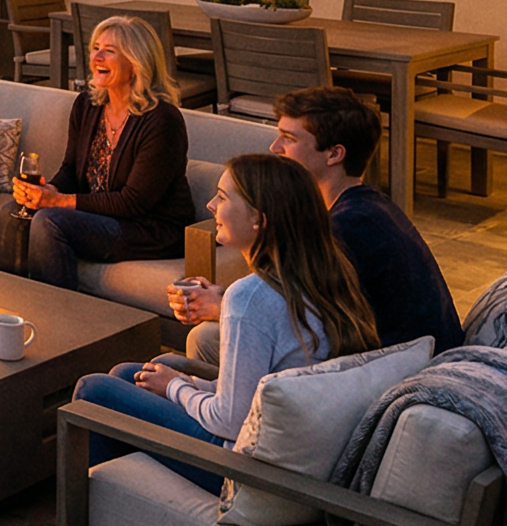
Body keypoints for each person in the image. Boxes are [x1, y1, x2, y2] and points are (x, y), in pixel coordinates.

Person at [0, 155, 380, 526]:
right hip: (297, 467)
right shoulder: (326, 281)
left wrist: (176, 388)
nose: (212, 204)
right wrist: (183, 382)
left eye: (223, 197)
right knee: (127, 376)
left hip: (248, 475)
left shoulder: (252, 297)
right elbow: (259, 395)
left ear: (259, 219)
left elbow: (230, 419)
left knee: (94, 394)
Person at [171, 86, 464, 358]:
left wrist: (220, 306)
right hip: (401, 355)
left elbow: (305, 326)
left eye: (290, 138)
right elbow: (295, 301)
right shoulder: (364, 205)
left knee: (207, 337)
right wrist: (223, 296)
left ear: (335, 154)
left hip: (392, 368)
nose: (275, 147)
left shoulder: (346, 228)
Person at [15, 17, 193, 291]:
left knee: (51, 221)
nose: (96, 56)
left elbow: (133, 202)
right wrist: (48, 189)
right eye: (95, 48)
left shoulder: (162, 120)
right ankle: (11, 309)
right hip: (101, 216)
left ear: (136, 62)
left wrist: (58, 201)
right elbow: (71, 168)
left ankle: (58, 319)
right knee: (15, 212)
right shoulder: (87, 105)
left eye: (109, 50)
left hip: (147, 228)